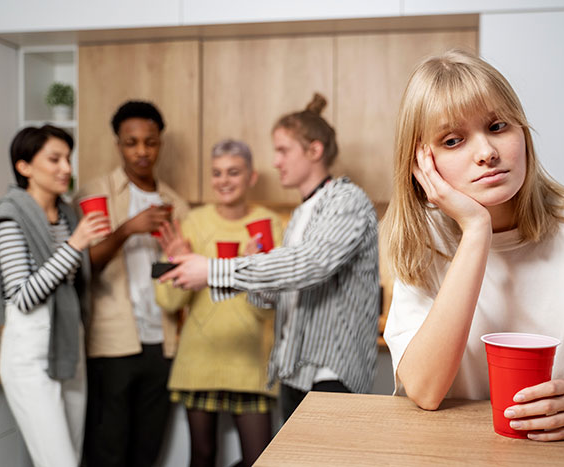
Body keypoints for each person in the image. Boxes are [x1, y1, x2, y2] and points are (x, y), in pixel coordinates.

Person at [380, 49, 564, 441]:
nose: (486, 153)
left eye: (499, 126)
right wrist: (476, 230)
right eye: (453, 140)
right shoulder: (424, 246)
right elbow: (426, 390)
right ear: (421, 164)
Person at [159, 94, 381, 422]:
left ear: (314, 150)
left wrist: (214, 270)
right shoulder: (301, 214)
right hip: (295, 370)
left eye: (282, 151)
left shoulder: (345, 200)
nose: (275, 161)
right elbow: (278, 297)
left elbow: (311, 264)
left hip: (332, 372)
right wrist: (260, 279)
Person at [0, 125, 109, 466]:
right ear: (24, 167)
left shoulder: (68, 216)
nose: (66, 168)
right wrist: (75, 245)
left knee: (72, 458)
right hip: (30, 357)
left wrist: (81, 243)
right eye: (54, 159)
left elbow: (70, 280)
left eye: (68, 158)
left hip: (69, 347)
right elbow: (23, 295)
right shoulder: (10, 218)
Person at [154, 139, 283, 467]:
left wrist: (254, 272)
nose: (224, 180)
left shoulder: (270, 224)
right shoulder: (194, 222)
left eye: (233, 172)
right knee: (202, 456)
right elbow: (168, 301)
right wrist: (177, 261)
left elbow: (272, 304)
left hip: (251, 361)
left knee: (260, 459)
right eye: (217, 173)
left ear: (251, 176)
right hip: (200, 360)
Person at [75, 100, 190, 466]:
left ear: (161, 143)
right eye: (131, 142)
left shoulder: (176, 204)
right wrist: (128, 229)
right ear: (118, 144)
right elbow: (82, 267)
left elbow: (184, 279)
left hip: (163, 342)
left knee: (147, 450)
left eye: (150, 142)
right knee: (107, 450)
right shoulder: (96, 194)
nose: (142, 151)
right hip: (111, 343)